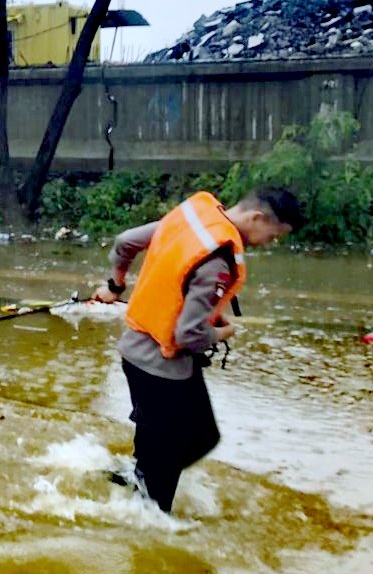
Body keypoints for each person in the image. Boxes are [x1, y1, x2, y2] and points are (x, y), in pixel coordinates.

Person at [92, 186, 304, 513]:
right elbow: (189, 334)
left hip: (141, 356)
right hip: (161, 368)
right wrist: (223, 332)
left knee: (201, 436)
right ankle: (142, 523)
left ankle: (135, 480)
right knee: (170, 464)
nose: (269, 243)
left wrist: (114, 284)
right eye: (273, 236)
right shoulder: (217, 258)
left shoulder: (195, 217)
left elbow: (125, 242)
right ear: (257, 217)